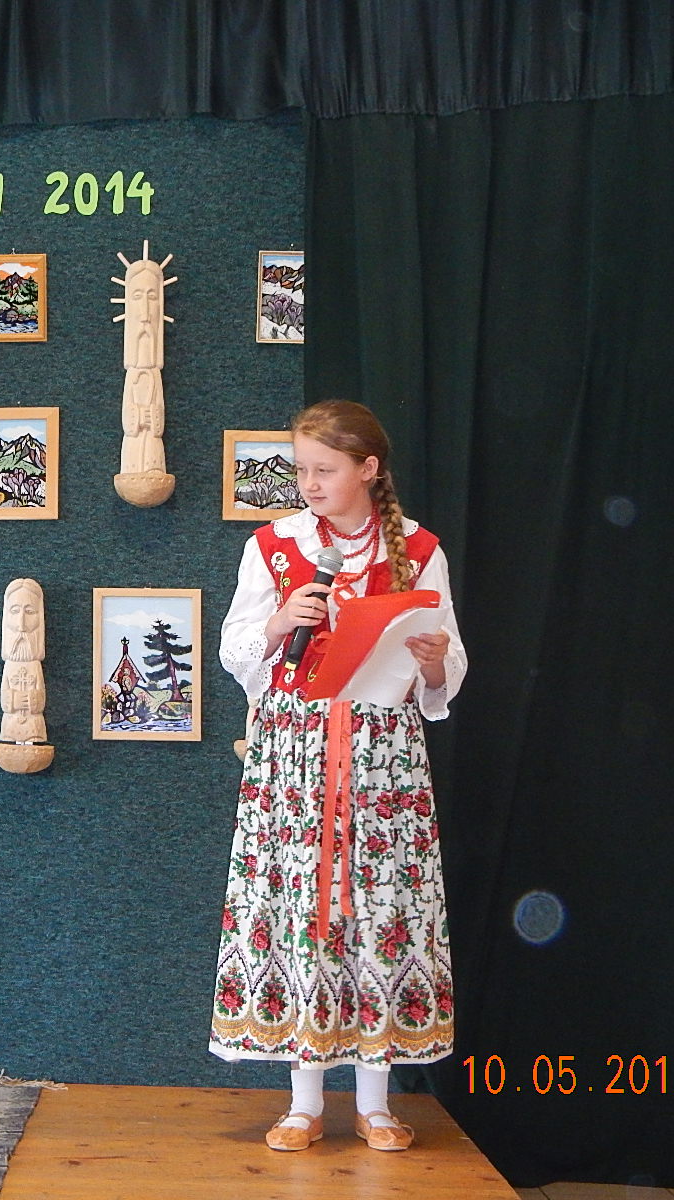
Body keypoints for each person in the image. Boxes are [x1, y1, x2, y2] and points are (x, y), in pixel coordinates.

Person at [210, 400, 465, 1153]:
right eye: (302, 470)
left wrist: (433, 663)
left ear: (368, 469)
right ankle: (304, 1101)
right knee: (305, 908)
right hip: (296, 754)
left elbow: (448, 660)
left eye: (324, 469)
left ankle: (376, 1102)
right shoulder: (275, 547)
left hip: (384, 757)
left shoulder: (418, 548)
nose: (310, 484)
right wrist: (280, 621)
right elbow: (235, 649)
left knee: (379, 912)